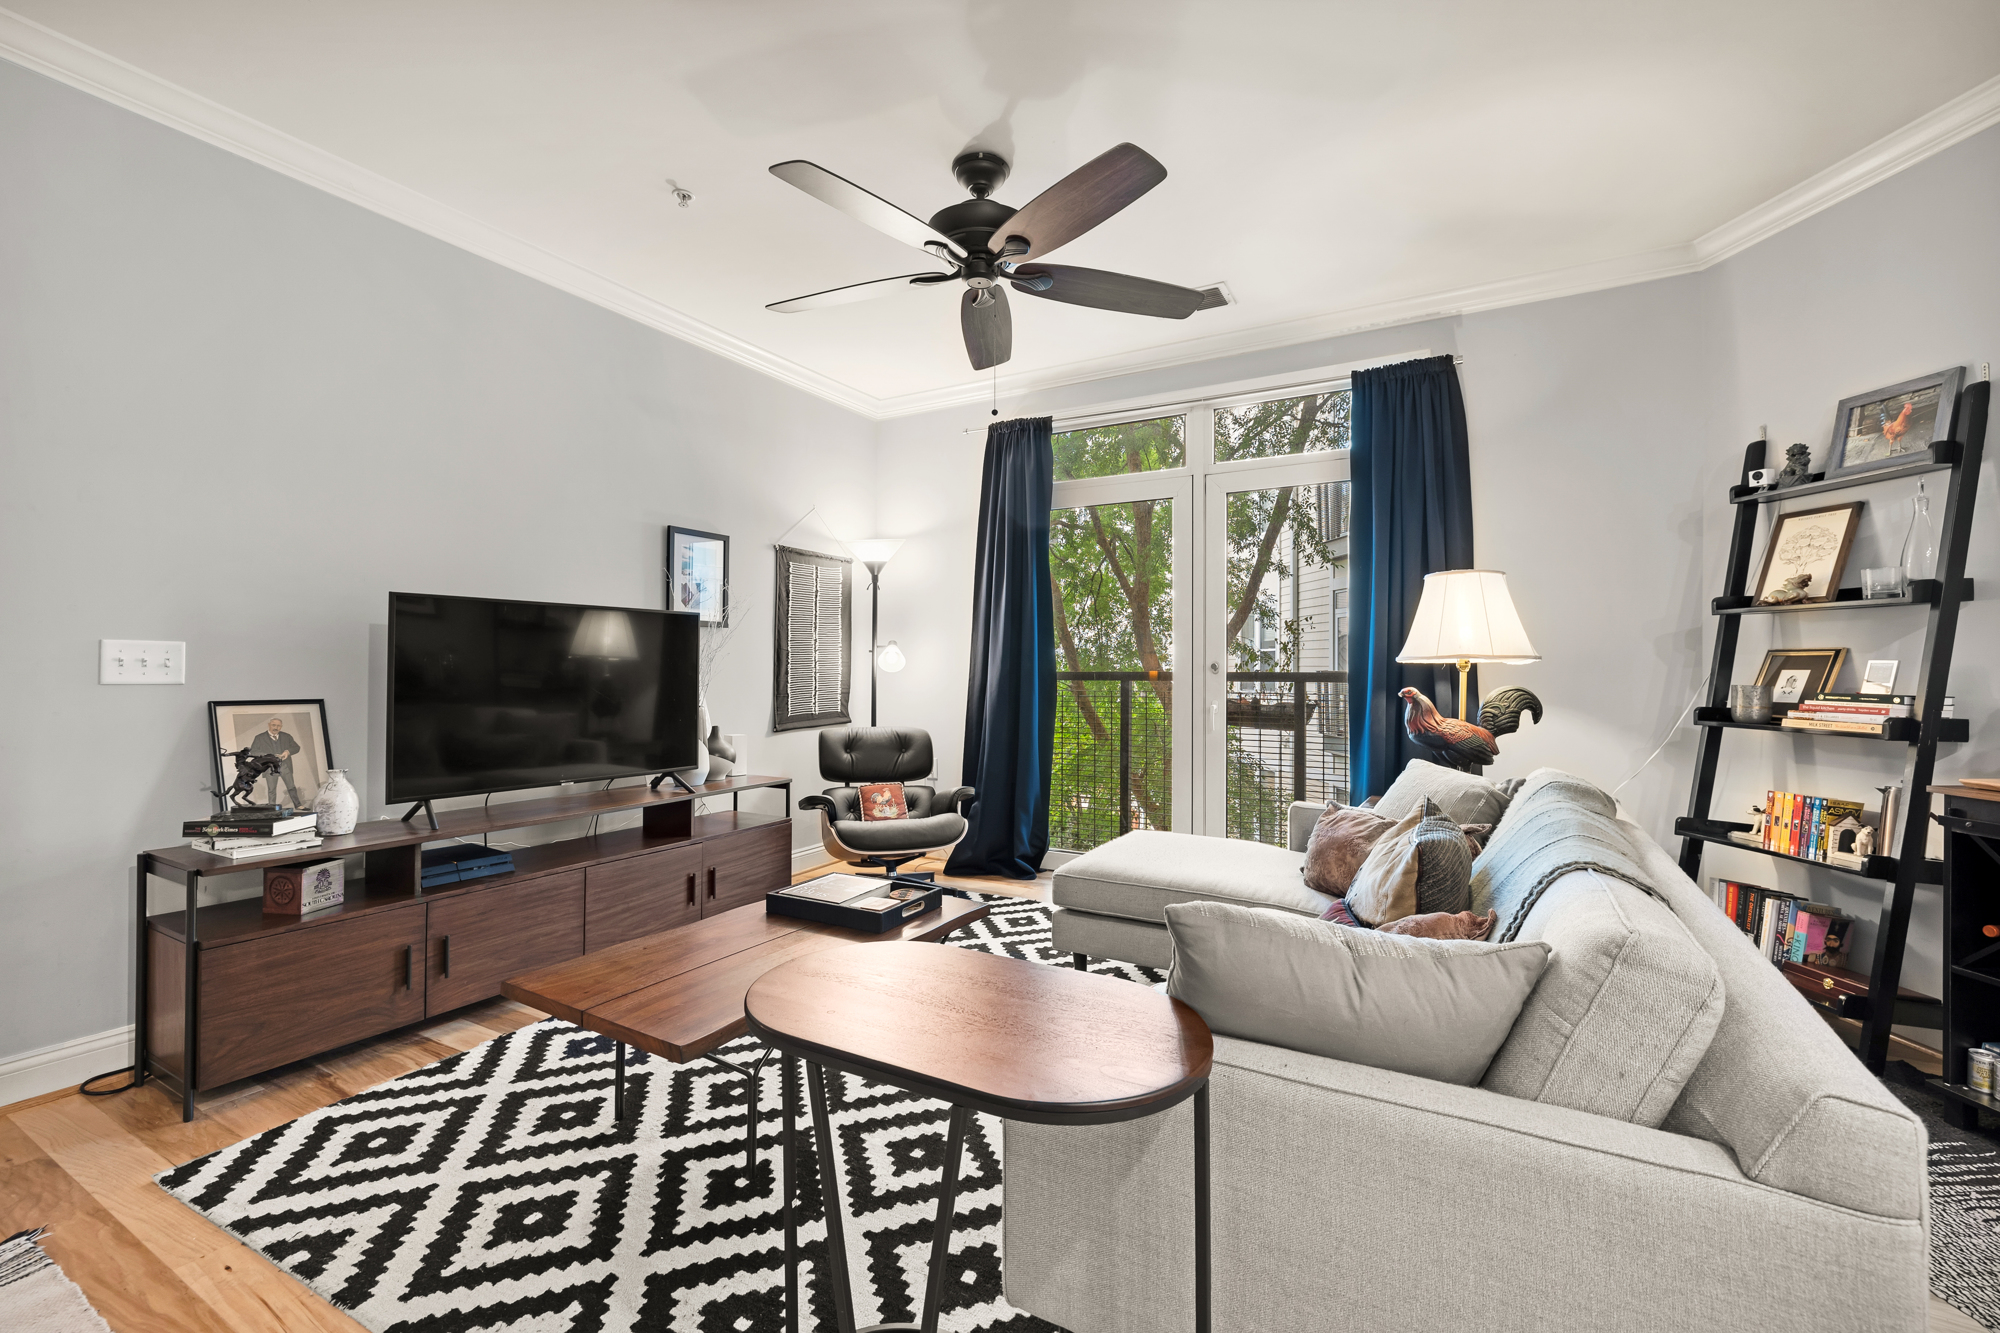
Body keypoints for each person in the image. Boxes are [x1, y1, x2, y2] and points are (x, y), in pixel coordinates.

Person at [248, 716, 307, 807]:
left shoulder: (286, 736)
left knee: (291, 786)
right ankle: (272, 807)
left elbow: (296, 747)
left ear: (281, 726)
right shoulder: (259, 737)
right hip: (269, 767)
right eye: (273, 725)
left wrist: (287, 752)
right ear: (269, 725)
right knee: (271, 789)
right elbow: (254, 751)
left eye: (278, 726)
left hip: (284, 766)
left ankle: (298, 805)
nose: (276, 728)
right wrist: (269, 755)